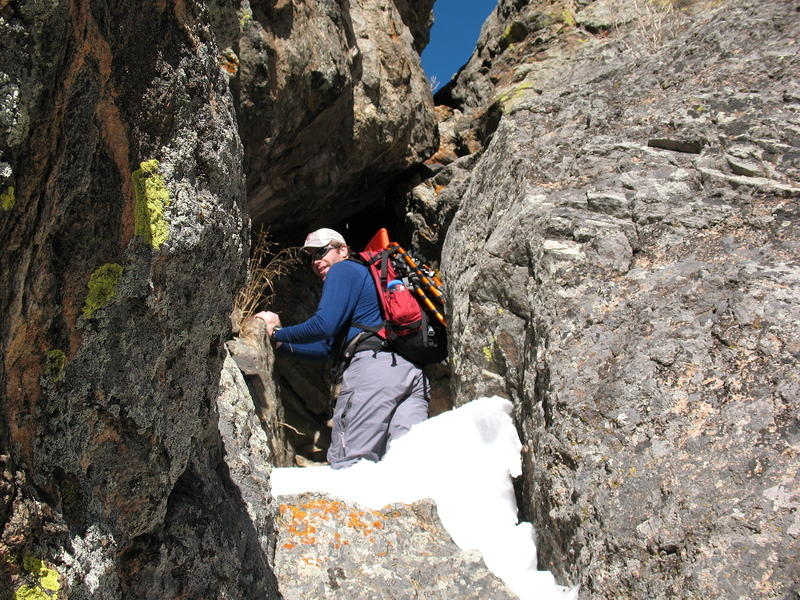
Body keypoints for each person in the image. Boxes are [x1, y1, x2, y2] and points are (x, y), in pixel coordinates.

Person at [256, 228, 429, 469]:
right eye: (311, 257)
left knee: (350, 463)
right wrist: (282, 344)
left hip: (373, 373)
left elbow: (324, 325)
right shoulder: (367, 279)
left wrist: (277, 332)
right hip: (410, 373)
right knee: (407, 464)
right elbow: (328, 348)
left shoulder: (344, 269)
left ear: (343, 250)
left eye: (321, 252)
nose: (316, 261)